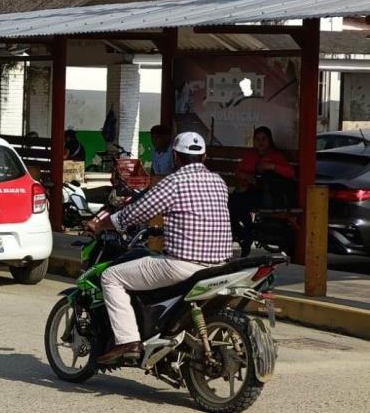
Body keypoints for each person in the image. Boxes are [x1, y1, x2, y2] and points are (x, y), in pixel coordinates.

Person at [85, 132, 231, 365]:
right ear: (204, 157)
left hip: (181, 265)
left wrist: (102, 223)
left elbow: (138, 212)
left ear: (175, 156)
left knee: (111, 276)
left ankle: (128, 341)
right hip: (220, 266)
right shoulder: (218, 182)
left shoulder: (174, 182)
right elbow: (199, 217)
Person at [229, 125, 296, 256]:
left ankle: (247, 234)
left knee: (238, 203)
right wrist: (247, 176)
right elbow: (238, 172)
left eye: (264, 139)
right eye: (257, 139)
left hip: (267, 196)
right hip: (249, 191)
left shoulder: (275, 155)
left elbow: (290, 172)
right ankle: (246, 232)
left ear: (270, 140)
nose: (260, 142)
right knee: (231, 203)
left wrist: (271, 166)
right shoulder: (251, 155)